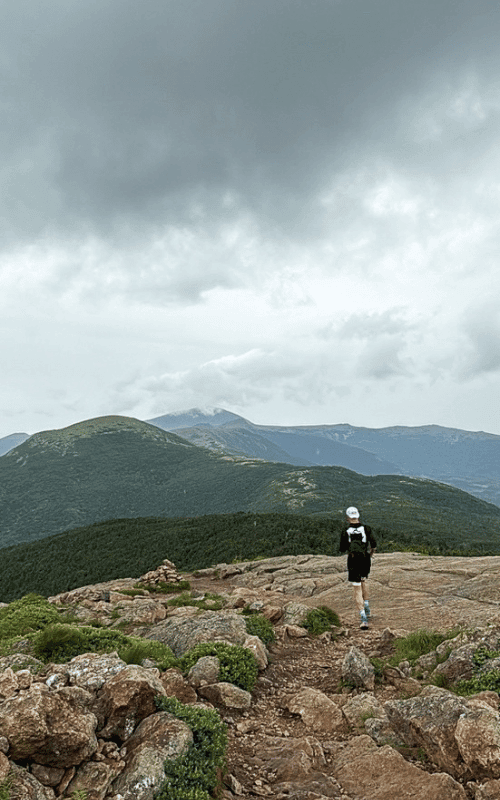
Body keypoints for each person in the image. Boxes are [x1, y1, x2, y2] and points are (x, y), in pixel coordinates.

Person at [339, 506, 377, 629]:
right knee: (363, 580)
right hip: (365, 558)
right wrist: (369, 555)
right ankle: (367, 606)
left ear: (347, 518)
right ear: (358, 516)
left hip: (353, 559)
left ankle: (363, 618)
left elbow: (342, 547)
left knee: (356, 587)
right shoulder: (367, 528)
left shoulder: (346, 530)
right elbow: (373, 545)